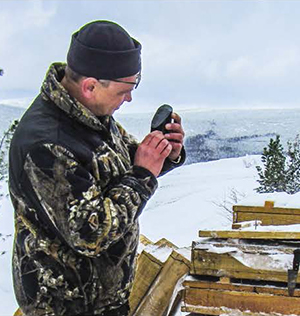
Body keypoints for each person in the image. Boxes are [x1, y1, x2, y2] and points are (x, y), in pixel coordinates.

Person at [9, 20, 185, 316]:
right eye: (125, 89)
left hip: (102, 300)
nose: (129, 98)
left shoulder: (89, 114)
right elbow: (91, 233)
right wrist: (142, 176)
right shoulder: (46, 145)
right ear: (90, 86)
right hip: (67, 306)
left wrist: (163, 155)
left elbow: (120, 163)